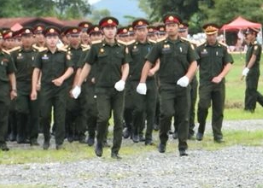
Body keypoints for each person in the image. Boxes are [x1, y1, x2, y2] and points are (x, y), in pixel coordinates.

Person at [139, 14, 198, 155]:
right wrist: (142, 81)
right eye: (168, 25)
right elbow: (148, 62)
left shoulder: (186, 45)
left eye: (173, 25)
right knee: (166, 113)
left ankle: (182, 146)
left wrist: (188, 77)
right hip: (166, 86)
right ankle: (163, 140)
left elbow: (194, 63)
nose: (170, 28)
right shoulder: (159, 45)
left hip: (183, 85)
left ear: (178, 27)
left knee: (183, 116)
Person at [73, 17, 129, 158]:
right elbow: (87, 66)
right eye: (107, 28)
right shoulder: (96, 48)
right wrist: (78, 85)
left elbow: (126, 65)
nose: (110, 31)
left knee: (118, 119)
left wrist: (123, 80)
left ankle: (115, 150)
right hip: (102, 88)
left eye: (112, 28)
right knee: (103, 117)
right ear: (103, 31)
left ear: (116, 30)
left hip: (118, 89)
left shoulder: (122, 47)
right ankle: (99, 141)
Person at [33, 27, 73, 150]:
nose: (52, 40)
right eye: (49, 37)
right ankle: (46, 139)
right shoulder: (41, 54)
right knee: (44, 114)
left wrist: (62, 78)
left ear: (58, 39)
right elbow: (36, 70)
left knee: (60, 115)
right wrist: (34, 88)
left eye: (54, 37)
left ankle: (59, 141)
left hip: (60, 88)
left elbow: (71, 69)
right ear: (45, 39)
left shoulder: (64, 54)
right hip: (46, 88)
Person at [195, 23, 233, 141]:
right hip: (205, 83)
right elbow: (195, 64)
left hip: (218, 84)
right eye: (209, 35)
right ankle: (201, 128)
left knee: (218, 109)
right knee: (203, 106)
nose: (211, 37)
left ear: (217, 34)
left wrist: (220, 76)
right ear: (206, 35)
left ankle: (217, 134)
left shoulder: (222, 48)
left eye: (213, 35)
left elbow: (228, 64)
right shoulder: (200, 49)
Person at [240, 27, 263, 112]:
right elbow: (247, 59)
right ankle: (247, 107)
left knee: (252, 90)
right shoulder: (250, 45)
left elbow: (253, 58)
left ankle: (251, 108)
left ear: (254, 34)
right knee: (249, 89)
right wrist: (244, 69)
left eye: (249, 34)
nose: (247, 36)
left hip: (253, 70)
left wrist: (247, 69)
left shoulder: (257, 46)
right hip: (249, 70)